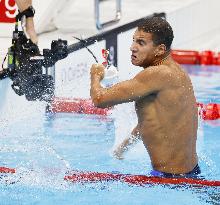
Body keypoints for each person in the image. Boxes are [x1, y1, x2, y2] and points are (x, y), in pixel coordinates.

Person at [90, 17, 200, 178]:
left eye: (140, 43)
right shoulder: (176, 72)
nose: (132, 47)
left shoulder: (156, 73)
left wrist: (95, 76)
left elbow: (99, 99)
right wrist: (124, 147)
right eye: (133, 40)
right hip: (192, 173)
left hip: (170, 180)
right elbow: (155, 120)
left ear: (160, 50)